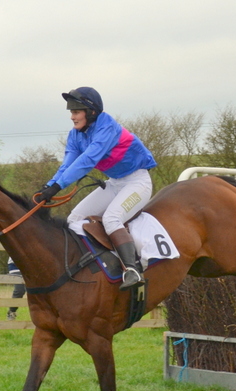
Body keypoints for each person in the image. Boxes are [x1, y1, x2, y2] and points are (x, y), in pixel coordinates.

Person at [36, 87, 157, 290]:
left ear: (91, 112)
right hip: (115, 182)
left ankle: (132, 270)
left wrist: (58, 186)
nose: (72, 117)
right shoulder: (75, 135)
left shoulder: (107, 127)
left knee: (111, 218)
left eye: (76, 112)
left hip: (138, 182)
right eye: (71, 112)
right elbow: (67, 165)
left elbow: (87, 160)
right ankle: (91, 264)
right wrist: (48, 187)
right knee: (74, 218)